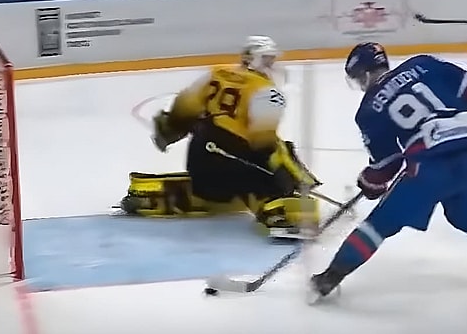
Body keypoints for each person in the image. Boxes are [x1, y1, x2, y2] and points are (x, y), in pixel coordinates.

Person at [308, 42, 467, 302]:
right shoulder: (424, 63)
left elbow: (386, 164)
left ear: (364, 74)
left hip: (432, 164)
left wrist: (370, 182)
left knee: (380, 224)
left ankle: (329, 277)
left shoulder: (368, 110)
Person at [120, 35, 320, 236]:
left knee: (220, 179)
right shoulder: (267, 92)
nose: (271, 64)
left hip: (198, 158)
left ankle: (165, 194)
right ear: (254, 59)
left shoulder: (215, 74)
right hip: (232, 163)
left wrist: (170, 130)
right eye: (267, 59)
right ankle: (278, 212)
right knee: (274, 162)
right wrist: (287, 178)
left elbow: (183, 108)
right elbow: (263, 143)